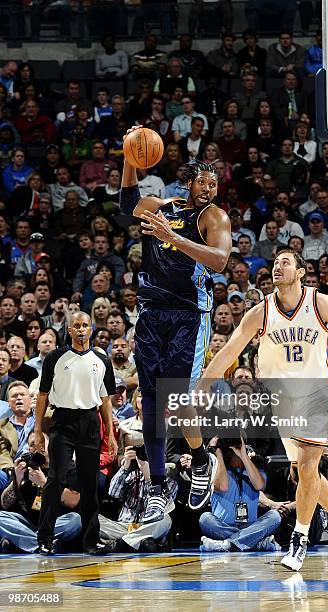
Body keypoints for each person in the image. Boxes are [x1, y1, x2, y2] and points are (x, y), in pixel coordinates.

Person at [200, 248, 328, 571]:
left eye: (285, 262)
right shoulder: (260, 313)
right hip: (283, 402)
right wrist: (202, 385)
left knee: (306, 467)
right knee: (308, 475)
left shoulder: (321, 304)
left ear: (301, 272)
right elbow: (229, 350)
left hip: (319, 394)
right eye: (275, 263)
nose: (278, 267)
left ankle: (299, 541)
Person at [120, 128, 232, 524]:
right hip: (150, 313)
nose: (209, 187)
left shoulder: (213, 216)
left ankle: (200, 459)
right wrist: (129, 159)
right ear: (188, 182)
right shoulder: (160, 204)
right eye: (203, 180)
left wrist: (173, 238)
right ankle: (156, 486)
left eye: (214, 183)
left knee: (176, 399)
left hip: (189, 315)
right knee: (151, 399)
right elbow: (127, 204)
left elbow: (219, 260)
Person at [32, 311, 118, 555]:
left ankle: (91, 541)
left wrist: (110, 434)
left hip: (90, 421)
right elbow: (42, 395)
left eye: (85, 325)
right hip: (63, 421)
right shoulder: (55, 358)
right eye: (76, 325)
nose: (81, 329)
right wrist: (38, 430)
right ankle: (45, 538)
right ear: (69, 330)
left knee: (90, 483)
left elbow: (105, 401)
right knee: (56, 479)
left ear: (91, 329)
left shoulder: (102, 359)